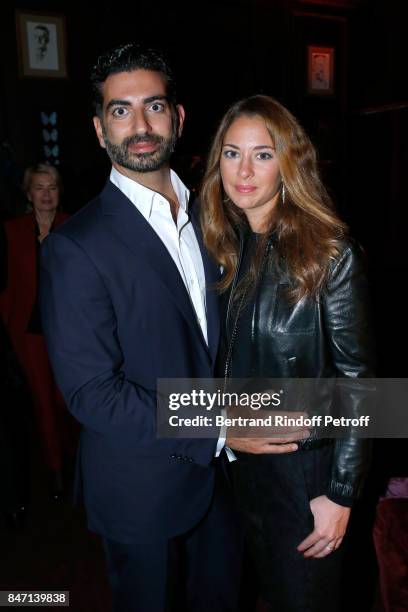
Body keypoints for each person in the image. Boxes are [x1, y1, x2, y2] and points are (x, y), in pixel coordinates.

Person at [39, 43, 261, 612]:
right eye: (120, 110)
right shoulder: (76, 247)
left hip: (223, 486)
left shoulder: (217, 219)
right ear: (98, 129)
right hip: (140, 492)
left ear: (179, 118)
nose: (139, 125)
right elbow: (93, 393)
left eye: (154, 106)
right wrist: (217, 429)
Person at [200, 95, 375, 612]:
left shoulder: (329, 253)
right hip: (238, 473)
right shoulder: (220, 247)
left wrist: (341, 494)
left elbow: (362, 384)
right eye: (232, 154)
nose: (245, 171)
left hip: (307, 476)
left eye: (263, 154)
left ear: (288, 163)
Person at [0, 163, 73, 500]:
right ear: (29, 195)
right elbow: (7, 289)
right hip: (29, 334)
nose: (46, 195)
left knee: (63, 401)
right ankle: (58, 473)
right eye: (39, 188)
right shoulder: (12, 232)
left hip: (68, 335)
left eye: (52, 187)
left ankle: (68, 454)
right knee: (43, 401)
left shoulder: (73, 227)